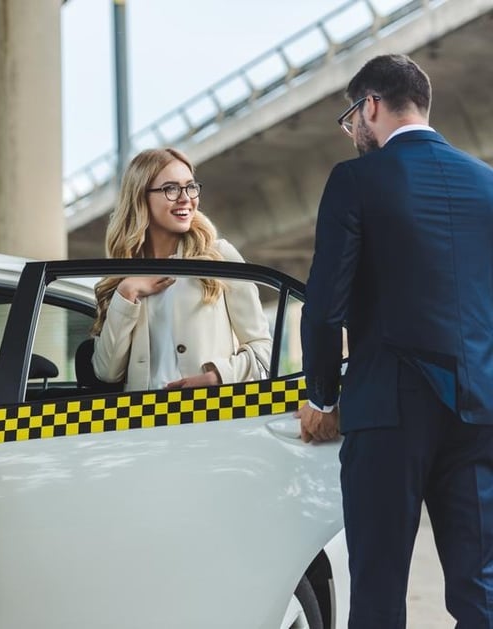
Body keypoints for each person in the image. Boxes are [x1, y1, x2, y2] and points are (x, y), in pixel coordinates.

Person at [295, 53, 493, 628]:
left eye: (351, 116)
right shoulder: (487, 184)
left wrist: (323, 397)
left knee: (379, 591)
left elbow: (326, 306)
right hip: (480, 408)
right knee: (481, 591)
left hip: (389, 409)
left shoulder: (355, 179)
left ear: (371, 106)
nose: (352, 130)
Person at [90, 147, 272, 391]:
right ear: (141, 197)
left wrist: (217, 377)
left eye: (190, 186)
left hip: (210, 417)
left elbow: (263, 349)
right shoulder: (123, 275)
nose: (186, 197)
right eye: (171, 189)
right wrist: (127, 292)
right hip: (140, 423)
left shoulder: (219, 257)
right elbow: (107, 372)